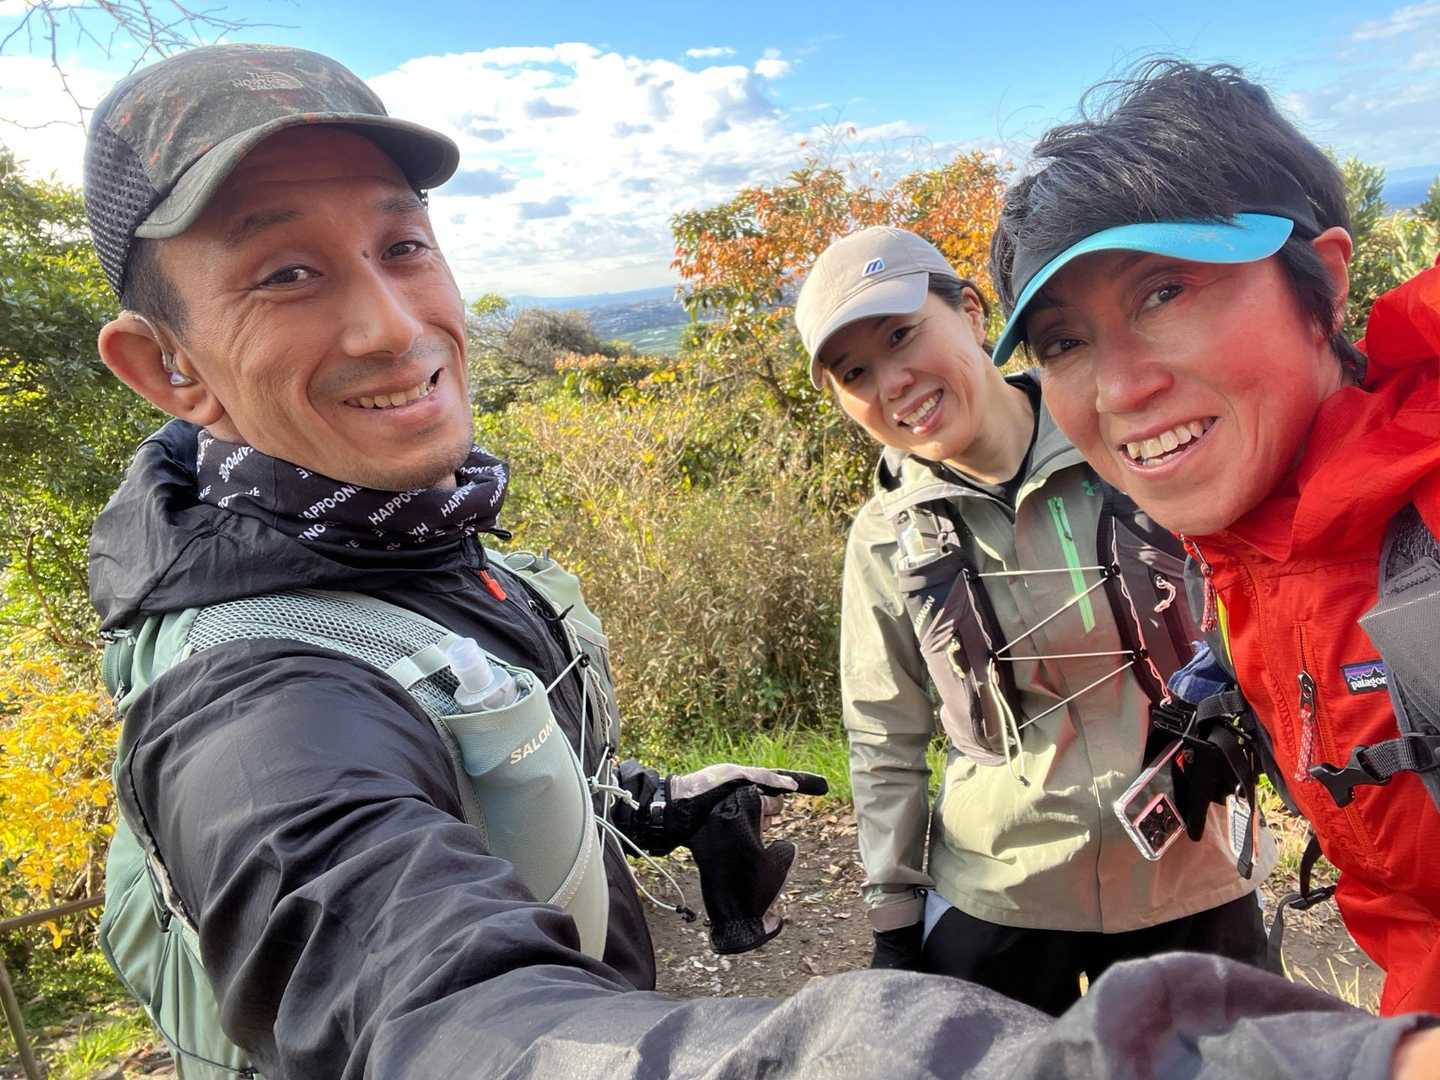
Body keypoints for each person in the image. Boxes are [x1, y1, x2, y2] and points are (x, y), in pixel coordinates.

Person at [77, 41, 1439, 1079]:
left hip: (1199, 887)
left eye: (399, 245)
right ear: (164, 367)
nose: (388, 326)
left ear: (969, 316)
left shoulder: (431, 558)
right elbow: (429, 1015)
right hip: (1003, 885)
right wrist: (896, 934)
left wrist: (647, 806)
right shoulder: (253, 702)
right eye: (285, 274)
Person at [987, 59, 1440, 1016]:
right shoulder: (1254, 552)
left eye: (1166, 292)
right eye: (1064, 342)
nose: (1120, 389)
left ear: (1324, 284)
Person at [793, 226, 1274, 1015]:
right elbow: (884, 735)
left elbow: (1259, 593)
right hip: (999, 893)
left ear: (971, 312)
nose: (893, 382)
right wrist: (894, 917)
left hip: (1190, 872)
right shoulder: (888, 536)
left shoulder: (1130, 437)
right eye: (855, 373)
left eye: (902, 335)